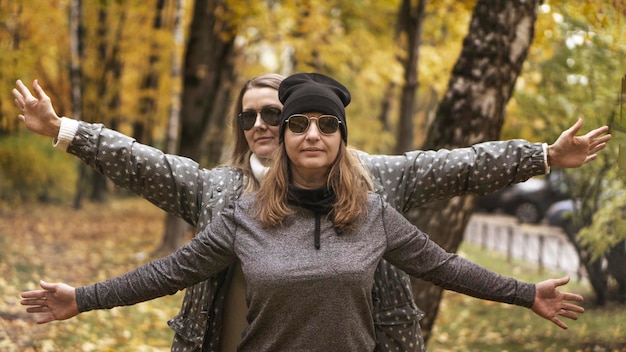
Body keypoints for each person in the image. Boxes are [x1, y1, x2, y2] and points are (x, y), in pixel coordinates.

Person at [12, 75, 610, 352]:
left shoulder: (375, 192)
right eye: (252, 118)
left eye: (278, 114)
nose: (266, 126)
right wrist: (65, 131)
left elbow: (457, 182)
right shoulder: (223, 197)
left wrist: (545, 157)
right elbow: (152, 210)